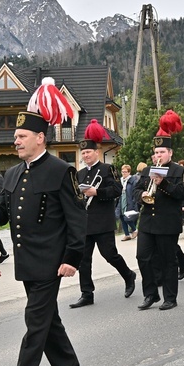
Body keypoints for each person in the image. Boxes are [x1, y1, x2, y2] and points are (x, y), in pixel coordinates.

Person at [0, 80, 87, 366]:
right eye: (15, 137)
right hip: (26, 261)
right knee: (48, 320)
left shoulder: (61, 171)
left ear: (40, 138)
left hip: (51, 262)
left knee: (35, 323)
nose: (16, 141)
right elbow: (2, 214)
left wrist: (73, 258)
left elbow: (76, 219)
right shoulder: (12, 174)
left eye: (21, 137)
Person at [70, 121, 137, 308]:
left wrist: (97, 192)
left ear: (96, 153)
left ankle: (128, 275)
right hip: (85, 223)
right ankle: (86, 293)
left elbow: (117, 190)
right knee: (84, 260)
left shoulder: (109, 169)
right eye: (83, 153)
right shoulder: (80, 173)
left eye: (88, 152)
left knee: (110, 255)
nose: (85, 155)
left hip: (103, 222)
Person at [134, 111, 184, 311]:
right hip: (148, 221)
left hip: (167, 223)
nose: (158, 156)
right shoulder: (147, 170)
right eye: (156, 153)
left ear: (170, 153)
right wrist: (141, 196)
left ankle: (170, 297)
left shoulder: (180, 171)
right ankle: (150, 294)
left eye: (162, 152)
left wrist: (163, 183)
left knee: (168, 261)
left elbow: (183, 193)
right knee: (142, 257)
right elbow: (137, 190)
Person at [116, 164, 139, 240]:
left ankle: (135, 230)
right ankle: (127, 234)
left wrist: (133, 202)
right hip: (121, 200)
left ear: (129, 172)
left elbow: (134, 192)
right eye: (122, 172)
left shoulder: (133, 181)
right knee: (122, 217)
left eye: (125, 172)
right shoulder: (120, 180)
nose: (124, 173)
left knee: (127, 218)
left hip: (129, 201)